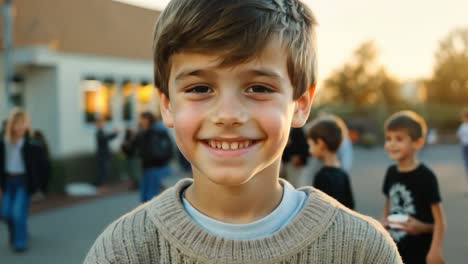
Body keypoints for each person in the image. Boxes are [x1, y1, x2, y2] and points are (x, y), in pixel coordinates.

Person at [84, 0, 402, 263]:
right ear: (167, 105)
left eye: (258, 87)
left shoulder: (364, 251)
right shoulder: (121, 252)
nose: (228, 115)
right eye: (199, 88)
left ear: (301, 103)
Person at [380, 110, 446, 264]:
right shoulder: (390, 172)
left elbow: (440, 221)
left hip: (420, 251)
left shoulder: (426, 176)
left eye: (399, 139)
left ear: (418, 143)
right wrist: (382, 226)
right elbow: (387, 206)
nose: (392, 144)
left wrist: (434, 250)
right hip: (396, 249)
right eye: (388, 139)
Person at [0, 109, 48, 252]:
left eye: (23, 123)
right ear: (11, 125)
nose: (20, 127)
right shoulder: (4, 143)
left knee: (17, 212)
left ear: (26, 125)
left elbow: (42, 166)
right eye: (17, 123)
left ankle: (20, 243)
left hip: (23, 182)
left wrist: (40, 186)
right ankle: (16, 232)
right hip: (8, 182)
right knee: (5, 212)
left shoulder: (30, 144)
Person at [307, 118, 355, 209]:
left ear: (320, 144)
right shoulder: (343, 174)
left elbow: (319, 208)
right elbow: (350, 206)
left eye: (311, 145)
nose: (309, 150)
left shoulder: (321, 176)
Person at [135, 111, 173, 202]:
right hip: (149, 167)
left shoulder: (154, 132)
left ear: (147, 119)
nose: (140, 122)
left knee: (150, 196)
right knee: (146, 196)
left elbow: (156, 150)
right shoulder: (146, 132)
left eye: (141, 119)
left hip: (155, 166)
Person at [94, 116, 118, 187]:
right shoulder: (99, 132)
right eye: (100, 123)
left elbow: (107, 138)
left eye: (102, 122)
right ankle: (99, 184)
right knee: (103, 170)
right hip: (102, 155)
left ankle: (100, 184)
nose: (102, 124)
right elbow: (105, 138)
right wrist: (114, 134)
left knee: (104, 170)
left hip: (104, 155)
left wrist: (114, 134)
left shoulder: (101, 131)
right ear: (97, 124)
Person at [457, 108, 468, 185]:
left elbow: (459, 135)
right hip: (464, 145)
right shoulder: (462, 125)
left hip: (465, 145)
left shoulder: (463, 126)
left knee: (466, 162)